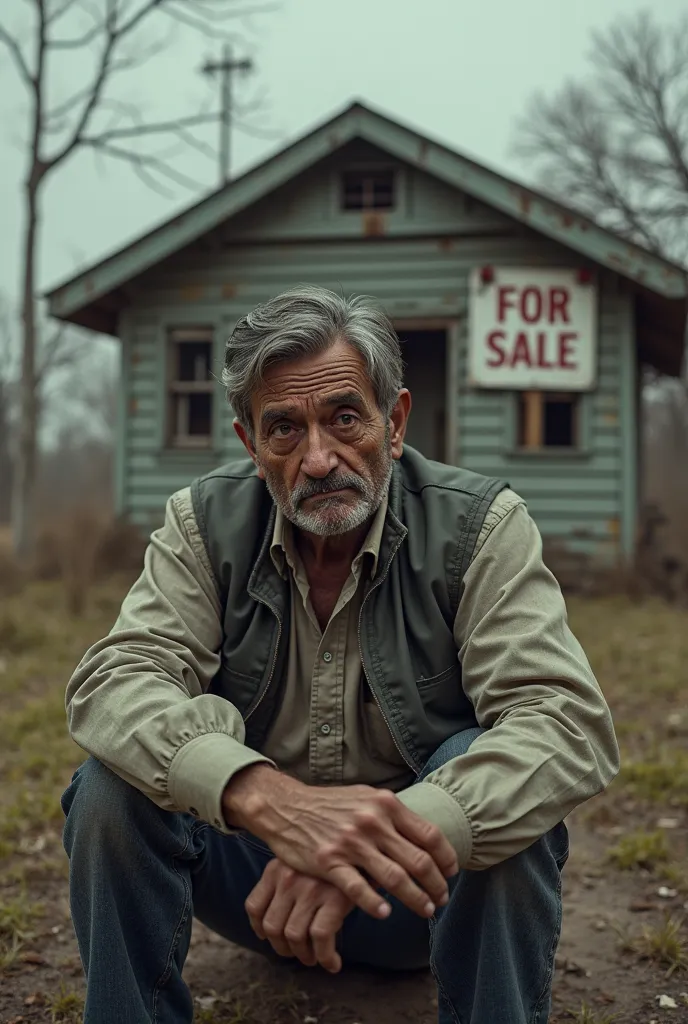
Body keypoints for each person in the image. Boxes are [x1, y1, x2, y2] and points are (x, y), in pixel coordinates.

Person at [61, 286, 619, 1024]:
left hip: (424, 890)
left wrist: (371, 843)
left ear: (395, 422)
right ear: (250, 444)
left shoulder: (480, 525)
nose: (319, 459)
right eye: (284, 428)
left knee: (487, 765)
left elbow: (564, 723)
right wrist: (266, 800)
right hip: (260, 891)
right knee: (109, 789)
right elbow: (115, 681)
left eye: (345, 417)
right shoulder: (201, 522)